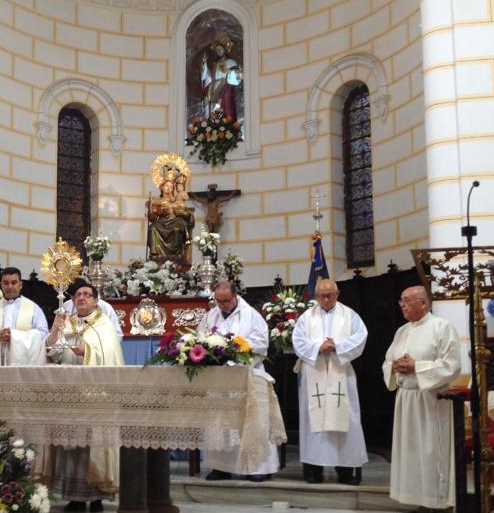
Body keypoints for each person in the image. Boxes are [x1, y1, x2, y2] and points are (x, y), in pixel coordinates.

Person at [382, 286, 461, 513]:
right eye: (401, 301)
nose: (402, 305)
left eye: (407, 301)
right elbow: (387, 361)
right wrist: (395, 366)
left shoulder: (441, 327)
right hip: (406, 399)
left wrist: (417, 366)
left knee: (432, 451)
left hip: (431, 399)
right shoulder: (402, 331)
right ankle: (421, 503)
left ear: (423, 303)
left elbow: (452, 365)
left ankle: (441, 508)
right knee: (412, 452)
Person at [44, 280, 122, 512]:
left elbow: (109, 353)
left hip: (96, 393)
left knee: (93, 442)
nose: (82, 298)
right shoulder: (66, 322)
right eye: (78, 294)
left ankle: (96, 495)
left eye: (87, 295)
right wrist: (55, 331)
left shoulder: (104, 324)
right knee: (72, 443)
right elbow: (52, 352)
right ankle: (75, 496)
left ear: (96, 300)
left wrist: (86, 351)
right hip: (69, 390)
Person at [200, 281, 287, 482]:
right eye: (218, 301)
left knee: (253, 423)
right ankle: (221, 466)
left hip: (247, 376)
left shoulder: (252, 316)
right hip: (219, 379)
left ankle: (258, 467)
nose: (222, 305)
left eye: (226, 301)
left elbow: (259, 345)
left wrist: (232, 359)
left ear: (235, 296)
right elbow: (201, 340)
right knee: (220, 424)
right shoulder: (209, 316)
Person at [291, 278, 368, 484]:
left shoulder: (349, 315)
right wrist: (318, 347)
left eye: (330, 295)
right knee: (313, 421)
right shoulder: (306, 318)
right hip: (314, 372)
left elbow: (361, 336)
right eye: (321, 296)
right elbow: (298, 341)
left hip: (340, 372)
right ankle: (313, 470)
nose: (326, 299)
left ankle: (345, 471)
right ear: (315, 296)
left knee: (345, 418)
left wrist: (337, 346)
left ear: (337, 294)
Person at [0, 267, 49, 365]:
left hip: (24, 367)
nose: (9, 287)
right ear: (1, 285)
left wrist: (15, 337)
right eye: (6, 283)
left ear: (20, 285)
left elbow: (43, 334)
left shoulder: (33, 309)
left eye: (14, 283)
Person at [147, 171, 195, 264]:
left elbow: (187, 213)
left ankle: (175, 255)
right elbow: (152, 218)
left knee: (178, 227)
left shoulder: (176, 199)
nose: (169, 188)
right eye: (166, 186)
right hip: (161, 222)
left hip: (175, 220)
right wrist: (157, 211)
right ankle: (155, 255)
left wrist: (182, 213)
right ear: (162, 187)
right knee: (153, 228)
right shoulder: (156, 200)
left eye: (171, 187)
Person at [200, 35, 242, 122]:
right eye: (217, 50)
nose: (219, 51)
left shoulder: (230, 62)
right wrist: (204, 64)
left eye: (220, 49)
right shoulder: (214, 64)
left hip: (225, 86)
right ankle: (211, 125)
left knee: (224, 100)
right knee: (209, 104)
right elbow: (208, 76)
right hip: (213, 86)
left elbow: (237, 77)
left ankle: (224, 125)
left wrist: (229, 72)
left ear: (225, 50)